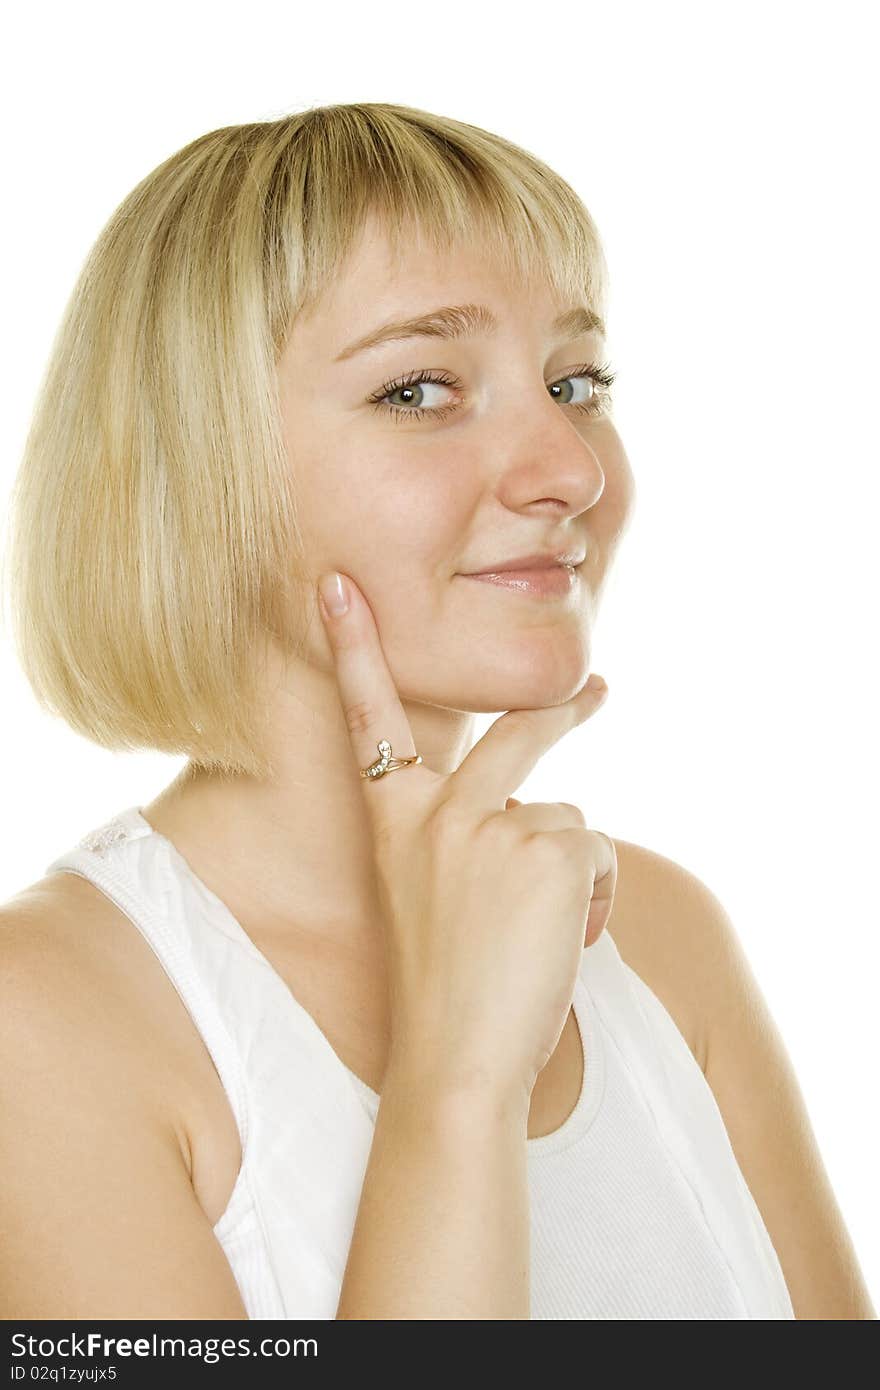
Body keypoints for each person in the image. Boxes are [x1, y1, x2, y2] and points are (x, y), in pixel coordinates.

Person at [0, 102, 873, 1321]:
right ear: (193, 467)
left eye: (576, 380)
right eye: (419, 389)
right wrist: (457, 1080)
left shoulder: (660, 936)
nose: (572, 469)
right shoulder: (42, 1019)